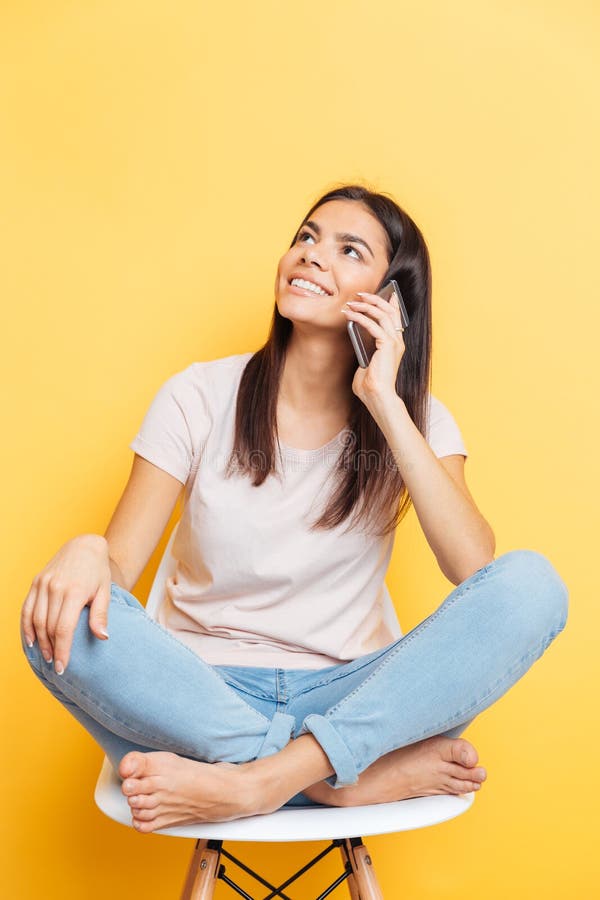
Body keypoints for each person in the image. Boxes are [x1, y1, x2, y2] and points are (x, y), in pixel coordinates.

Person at [20, 184, 568, 833]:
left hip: (353, 698)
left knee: (534, 585)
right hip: (201, 693)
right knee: (52, 617)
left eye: (347, 249)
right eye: (306, 237)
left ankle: (263, 781)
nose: (311, 255)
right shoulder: (197, 395)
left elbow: (471, 563)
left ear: (390, 299)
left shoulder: (418, 424)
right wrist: (85, 552)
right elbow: (118, 563)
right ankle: (337, 785)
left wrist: (388, 405)